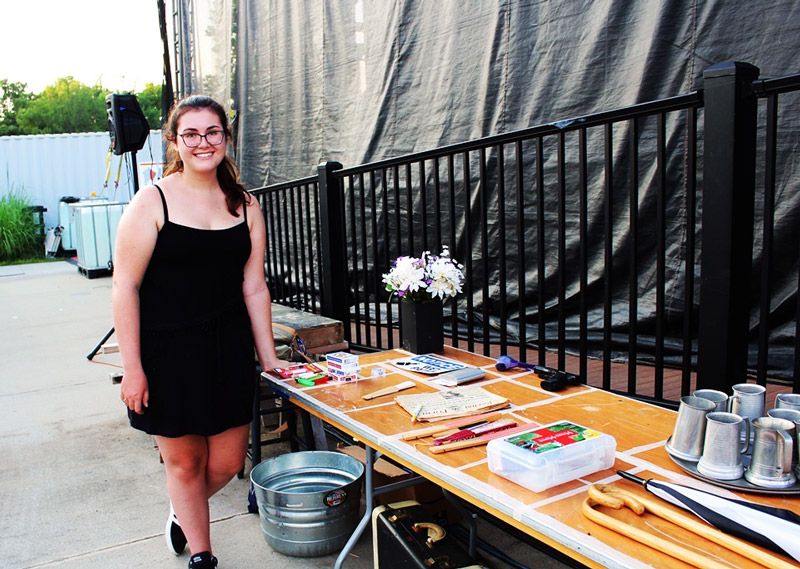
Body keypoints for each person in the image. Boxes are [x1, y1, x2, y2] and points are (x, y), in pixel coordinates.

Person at [112, 95, 287, 569]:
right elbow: (124, 286)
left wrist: (269, 358)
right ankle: (202, 554)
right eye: (191, 134)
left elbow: (254, 286)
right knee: (185, 464)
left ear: (226, 139)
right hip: (166, 352)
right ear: (174, 142)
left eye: (213, 132)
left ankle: (181, 511)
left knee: (228, 465)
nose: (203, 142)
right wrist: (133, 369)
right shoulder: (154, 199)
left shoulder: (246, 204)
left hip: (227, 349)